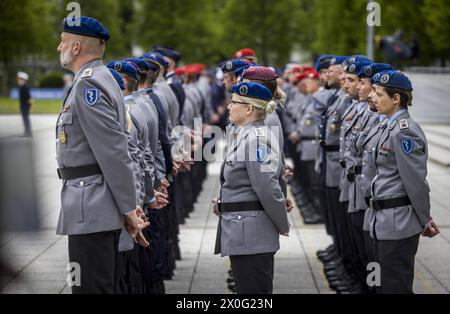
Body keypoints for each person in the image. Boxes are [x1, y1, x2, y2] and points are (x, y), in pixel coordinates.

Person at [56, 16, 149, 294]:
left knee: (90, 288)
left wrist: (129, 210)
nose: (57, 47)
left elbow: (114, 152)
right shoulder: (100, 78)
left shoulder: (88, 85)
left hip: (90, 206)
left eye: (61, 42)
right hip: (94, 204)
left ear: (75, 47)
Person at [364, 70, 439, 293]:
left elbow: (415, 182)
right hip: (379, 222)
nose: (373, 97)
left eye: (378, 94)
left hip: (396, 224)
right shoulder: (385, 126)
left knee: (395, 286)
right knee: (376, 282)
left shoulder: (405, 132)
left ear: (396, 98)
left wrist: (424, 219)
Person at [213, 82, 289, 294]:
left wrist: (282, 223)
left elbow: (267, 187)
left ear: (249, 109)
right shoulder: (245, 134)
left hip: (251, 233)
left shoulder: (257, 140)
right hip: (242, 229)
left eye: (234, 102)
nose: (229, 106)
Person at [17, 71, 33, 137]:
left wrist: (28, 106)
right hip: (23, 106)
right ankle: (27, 132)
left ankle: (28, 133)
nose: (18, 81)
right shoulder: (22, 87)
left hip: (25, 106)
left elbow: (29, 98)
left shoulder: (25, 87)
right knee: (25, 119)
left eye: (20, 80)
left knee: (26, 119)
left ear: (24, 80)